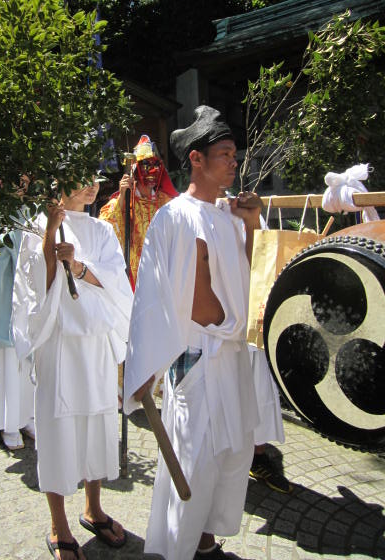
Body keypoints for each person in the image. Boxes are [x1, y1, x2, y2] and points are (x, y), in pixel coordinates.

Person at [124, 105, 262, 560]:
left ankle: (205, 539)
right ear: (196, 160)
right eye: (224, 154)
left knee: (231, 453)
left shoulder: (227, 214)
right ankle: (176, 549)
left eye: (235, 155)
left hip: (233, 354)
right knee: (192, 461)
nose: (234, 162)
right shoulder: (173, 217)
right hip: (197, 355)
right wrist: (143, 365)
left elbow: (246, 278)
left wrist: (250, 226)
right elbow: (151, 295)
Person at [12, 177, 132, 560]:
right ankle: (58, 523)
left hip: (94, 342)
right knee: (58, 428)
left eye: (94, 179)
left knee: (97, 422)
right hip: (60, 342)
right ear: (58, 184)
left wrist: (78, 266)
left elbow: (117, 281)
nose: (91, 187)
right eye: (80, 181)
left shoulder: (102, 229)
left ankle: (93, 508)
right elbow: (38, 288)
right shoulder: (37, 226)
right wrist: (50, 232)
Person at [0, 174, 35, 450]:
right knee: (5, 362)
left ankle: (26, 416)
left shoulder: (31, 211)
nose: (20, 185)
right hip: (1, 298)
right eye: (16, 180)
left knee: (27, 361)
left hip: (28, 298)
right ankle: (7, 423)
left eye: (24, 181)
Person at [99, 134, 178, 290]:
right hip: (135, 275)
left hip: (165, 271)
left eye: (156, 164)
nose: (153, 170)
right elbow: (105, 227)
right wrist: (122, 196)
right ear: (136, 169)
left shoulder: (167, 202)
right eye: (146, 164)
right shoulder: (125, 201)